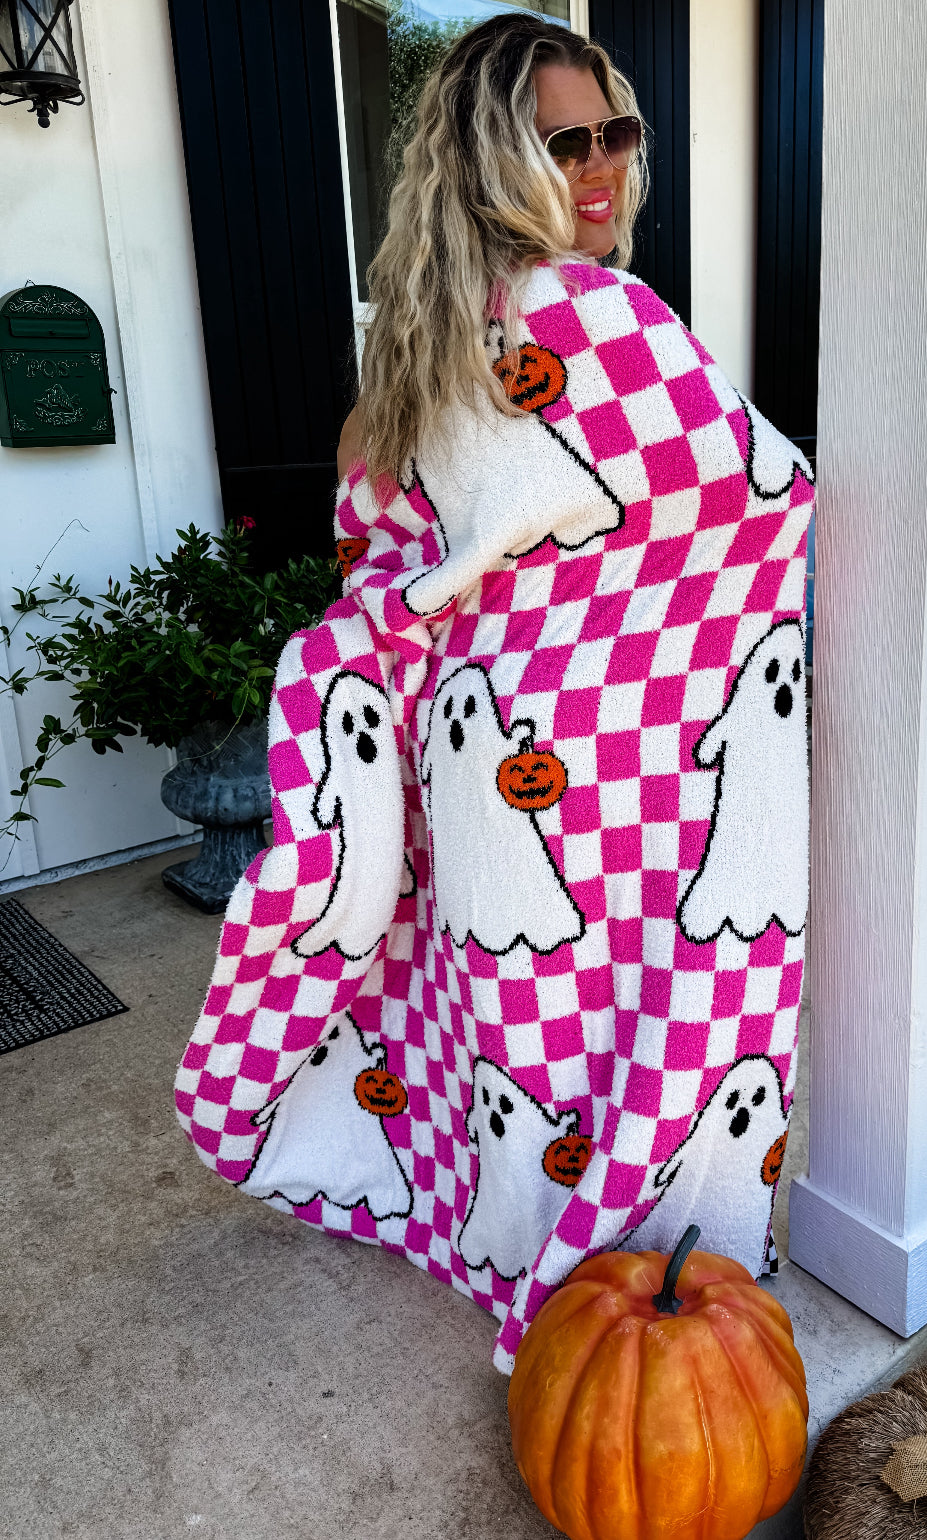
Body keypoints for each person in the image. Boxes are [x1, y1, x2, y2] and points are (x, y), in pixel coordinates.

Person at [175, 13, 814, 1374]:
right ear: (490, 164)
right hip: (606, 739)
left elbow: (376, 570)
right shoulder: (598, 318)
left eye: (613, 133)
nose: (598, 168)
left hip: (467, 759)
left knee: (504, 1007)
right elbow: (766, 496)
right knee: (620, 1015)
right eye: (559, 140)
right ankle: (614, 1283)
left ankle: (504, 1230)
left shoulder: (398, 375)